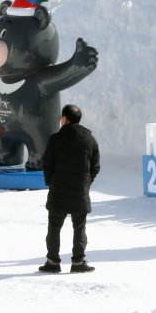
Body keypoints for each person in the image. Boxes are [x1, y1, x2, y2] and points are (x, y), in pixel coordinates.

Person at [39, 104, 101, 274]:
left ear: (65, 119)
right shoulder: (89, 139)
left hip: (58, 191)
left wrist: (50, 182)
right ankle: (78, 262)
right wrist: (86, 183)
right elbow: (95, 166)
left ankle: (52, 262)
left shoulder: (55, 139)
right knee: (79, 227)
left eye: (61, 117)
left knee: (54, 227)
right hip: (80, 192)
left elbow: (46, 164)